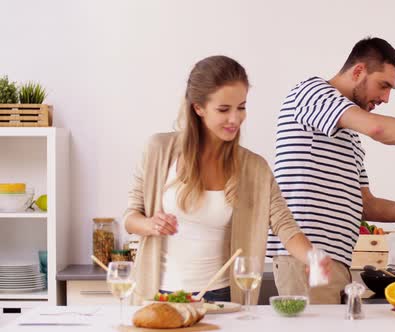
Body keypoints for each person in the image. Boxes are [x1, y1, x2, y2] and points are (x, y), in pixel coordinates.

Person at [266, 37, 395, 304]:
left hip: (334, 259)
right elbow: (377, 128)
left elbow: (367, 205)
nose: (386, 98)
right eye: (383, 85)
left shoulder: (348, 135)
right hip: (307, 257)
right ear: (358, 71)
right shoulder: (312, 92)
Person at [124, 55, 329, 305]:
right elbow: (131, 217)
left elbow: (285, 225)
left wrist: (311, 256)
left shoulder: (254, 168)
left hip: (222, 298)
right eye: (224, 109)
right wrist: (151, 225)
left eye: (241, 107)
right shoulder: (159, 149)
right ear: (198, 108)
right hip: (158, 295)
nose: (235, 119)